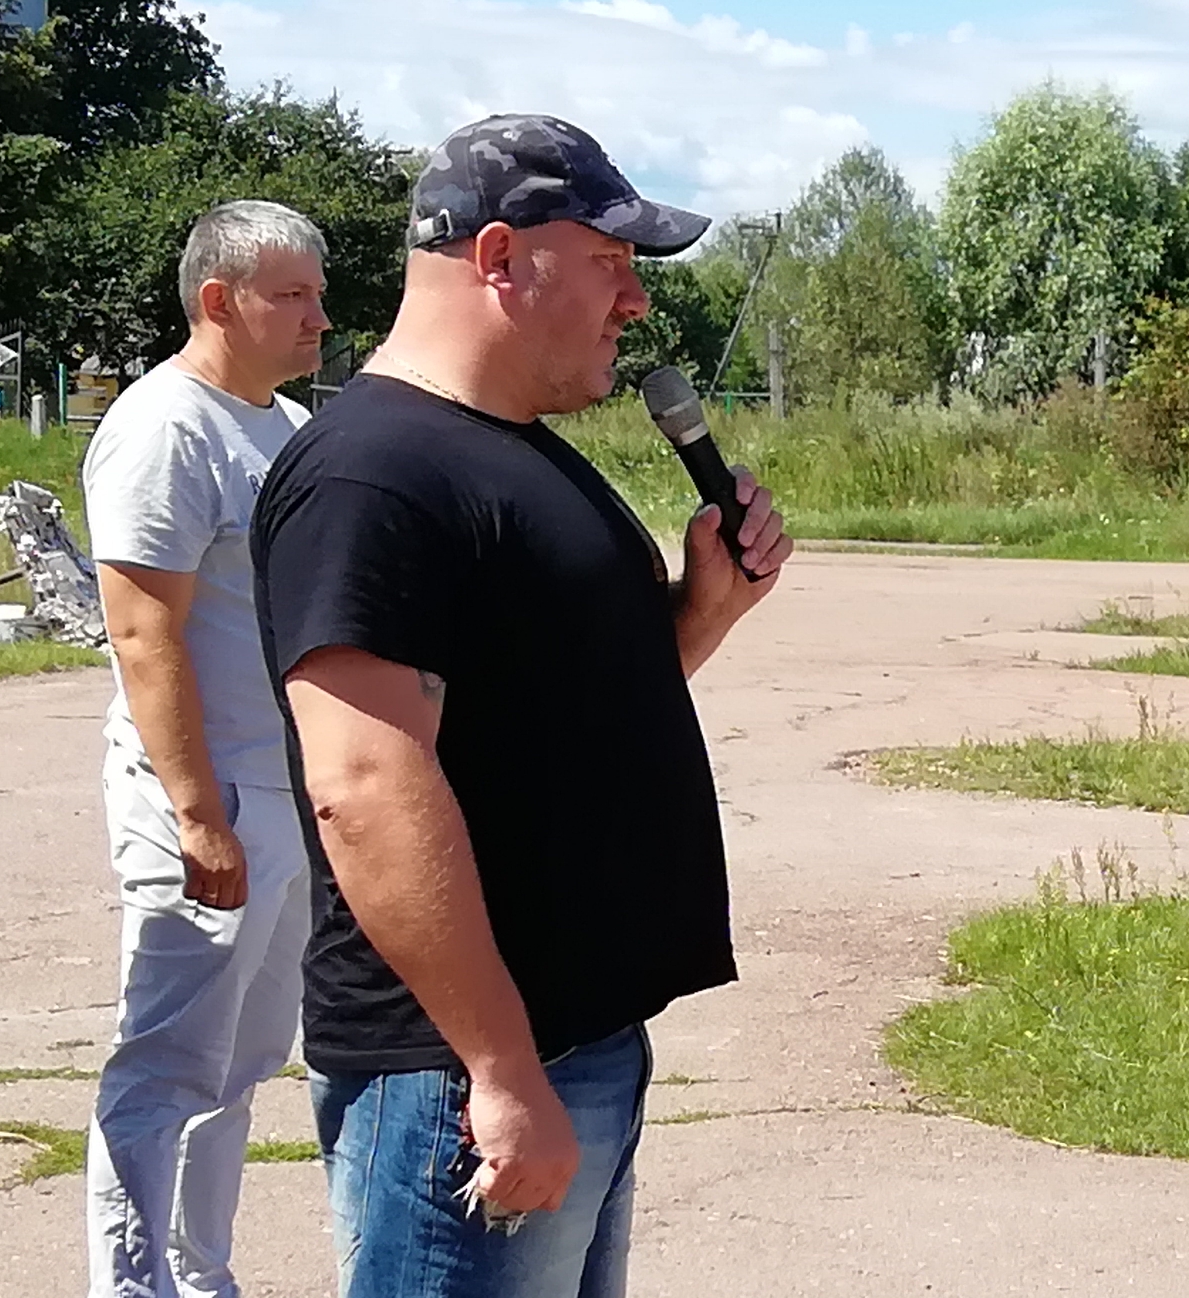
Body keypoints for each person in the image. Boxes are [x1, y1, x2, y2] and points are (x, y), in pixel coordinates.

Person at [250, 115, 793, 1298]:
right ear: (499, 257)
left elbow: (560, 718)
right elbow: (364, 788)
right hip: (455, 1075)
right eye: (609, 262)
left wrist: (704, 609)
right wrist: (499, 1070)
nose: (634, 301)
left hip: (570, 1044)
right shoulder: (372, 473)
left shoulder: (517, 451)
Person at [81, 199, 330, 1298]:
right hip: (206, 792)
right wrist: (196, 813)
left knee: (242, 1060)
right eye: (294, 295)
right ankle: (136, 1286)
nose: (319, 317)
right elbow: (144, 632)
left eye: (319, 293)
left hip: (282, 790)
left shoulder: (283, 425)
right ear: (219, 300)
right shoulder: (164, 427)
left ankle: (199, 1273)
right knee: (171, 1060)